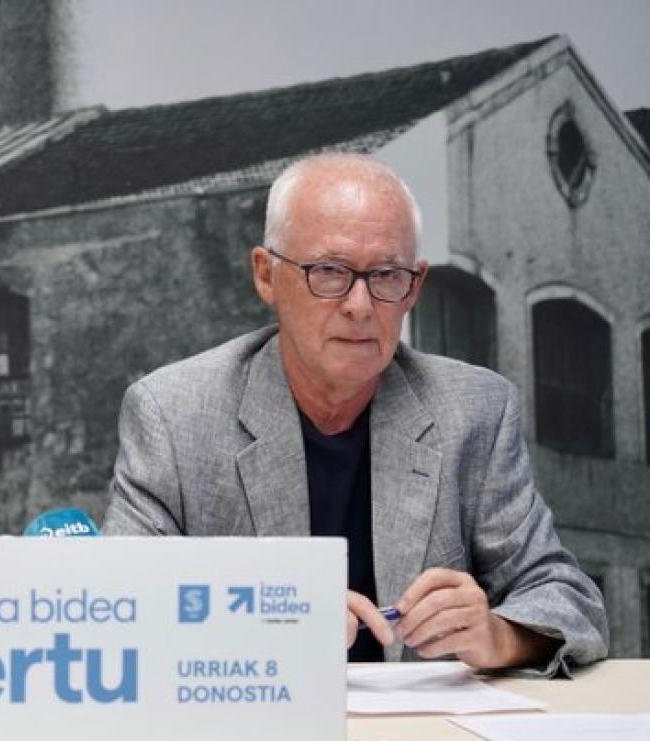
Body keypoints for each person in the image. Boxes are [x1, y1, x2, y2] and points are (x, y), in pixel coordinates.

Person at [103, 153, 607, 674]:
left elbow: (570, 600)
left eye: (387, 275)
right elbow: (116, 607)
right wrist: (266, 621)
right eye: (329, 272)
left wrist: (498, 634)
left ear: (415, 286)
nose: (360, 306)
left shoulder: (474, 410)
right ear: (266, 275)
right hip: (254, 711)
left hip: (426, 722)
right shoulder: (174, 414)